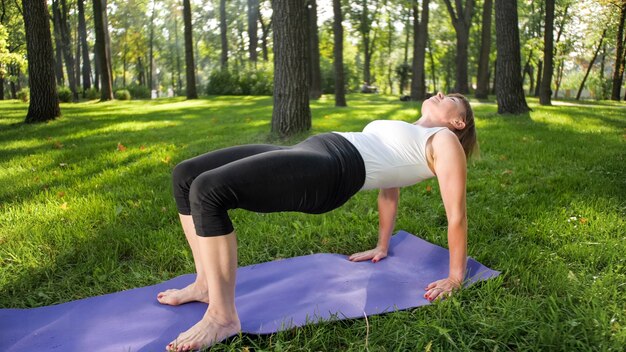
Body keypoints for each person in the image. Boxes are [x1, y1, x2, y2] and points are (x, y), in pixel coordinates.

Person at [158, 92, 477, 351]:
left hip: (332, 170)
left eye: (451, 97)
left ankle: (223, 317)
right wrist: (382, 245)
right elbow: (389, 193)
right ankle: (204, 285)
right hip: (312, 149)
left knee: (209, 191)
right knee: (186, 176)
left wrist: (455, 277)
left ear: (458, 121)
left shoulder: (444, 141)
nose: (439, 93)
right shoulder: (411, 132)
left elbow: (457, 214)